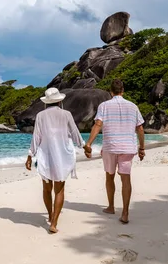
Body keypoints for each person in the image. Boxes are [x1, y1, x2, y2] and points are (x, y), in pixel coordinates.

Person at [84, 78, 145, 224]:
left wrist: (89, 143)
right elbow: (140, 128)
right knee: (126, 179)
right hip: (127, 147)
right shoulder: (133, 106)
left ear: (110, 92)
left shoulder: (104, 106)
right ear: (123, 91)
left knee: (109, 176)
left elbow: (98, 124)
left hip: (110, 146)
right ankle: (125, 213)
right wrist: (142, 147)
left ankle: (111, 207)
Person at [25, 87, 84, 234]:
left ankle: (51, 215)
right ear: (59, 101)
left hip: (45, 156)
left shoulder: (40, 115)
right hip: (62, 156)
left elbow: (36, 137)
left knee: (46, 188)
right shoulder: (66, 114)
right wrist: (84, 146)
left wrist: (30, 155)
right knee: (59, 189)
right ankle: (54, 222)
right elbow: (75, 132)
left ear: (46, 102)